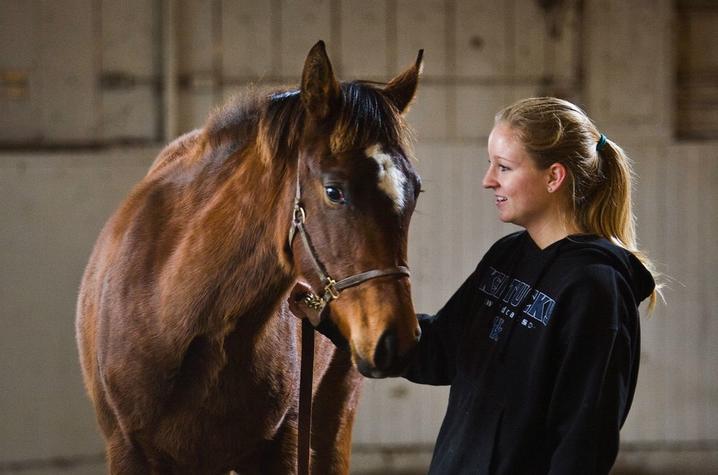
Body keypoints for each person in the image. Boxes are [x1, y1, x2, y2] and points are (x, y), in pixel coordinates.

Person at [291, 97, 659, 474]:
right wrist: (329, 317)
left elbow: (583, 445)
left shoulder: (595, 288)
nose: (488, 180)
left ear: (553, 177)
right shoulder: (508, 254)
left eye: (504, 167)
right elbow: (440, 352)